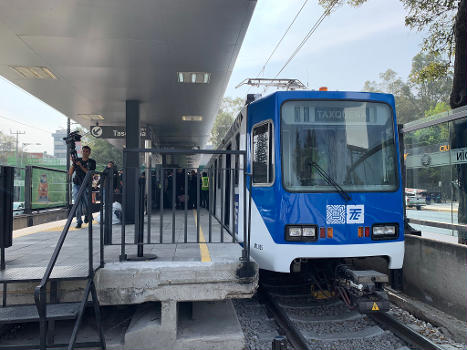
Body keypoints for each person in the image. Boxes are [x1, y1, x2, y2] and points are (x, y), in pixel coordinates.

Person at [68, 146, 96, 228]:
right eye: (84, 151)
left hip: (86, 185)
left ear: (89, 152)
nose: (85, 153)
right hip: (77, 184)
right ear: (82, 152)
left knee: (87, 203)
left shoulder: (92, 162)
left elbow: (90, 173)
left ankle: (88, 216)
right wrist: (73, 164)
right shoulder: (77, 160)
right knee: (77, 203)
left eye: (87, 151)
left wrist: (80, 166)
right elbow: (70, 173)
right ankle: (79, 221)